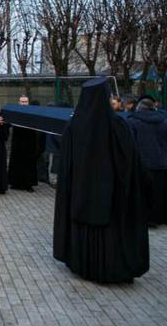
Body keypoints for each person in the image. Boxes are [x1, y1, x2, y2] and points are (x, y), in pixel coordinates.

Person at [53, 77, 149, 284]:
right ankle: (108, 267)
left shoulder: (73, 126)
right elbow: (129, 161)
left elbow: (66, 163)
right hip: (110, 194)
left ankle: (84, 264)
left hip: (80, 194)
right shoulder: (117, 125)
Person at [126, 97, 167, 226]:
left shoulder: (132, 121)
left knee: (143, 193)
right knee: (159, 192)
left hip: (142, 162)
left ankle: (145, 219)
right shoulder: (164, 121)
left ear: (139, 107)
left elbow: (129, 143)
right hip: (161, 162)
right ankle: (158, 218)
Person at [8, 95, 39, 192]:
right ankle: (15, 183)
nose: (24, 103)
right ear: (19, 102)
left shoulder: (33, 113)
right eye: (22, 101)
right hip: (17, 142)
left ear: (28, 103)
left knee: (29, 163)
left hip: (29, 142)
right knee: (16, 162)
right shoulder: (15, 113)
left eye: (25, 102)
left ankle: (29, 184)